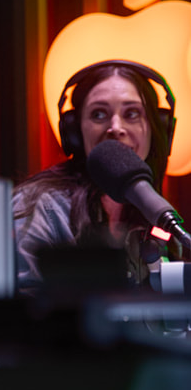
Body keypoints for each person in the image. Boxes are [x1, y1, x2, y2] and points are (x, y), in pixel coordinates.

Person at [13, 59, 185, 295]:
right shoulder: (39, 207)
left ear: (159, 130)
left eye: (132, 113)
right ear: (74, 132)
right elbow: (24, 314)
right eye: (99, 114)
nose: (115, 127)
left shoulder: (157, 219)